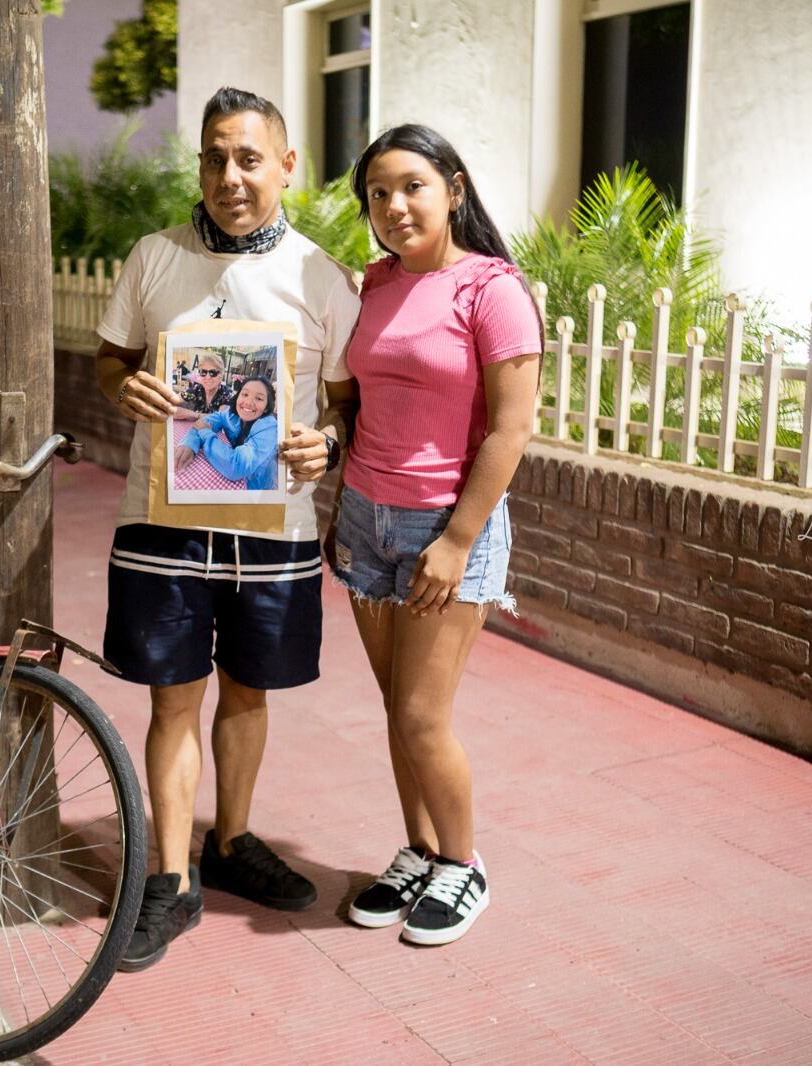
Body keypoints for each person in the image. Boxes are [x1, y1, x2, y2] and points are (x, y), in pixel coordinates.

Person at [94, 87, 360, 972]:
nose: (229, 176)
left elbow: (351, 408)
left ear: (287, 166)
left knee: (249, 688)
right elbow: (111, 360)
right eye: (214, 158)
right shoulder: (153, 257)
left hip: (274, 525)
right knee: (174, 695)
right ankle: (168, 881)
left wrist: (326, 441)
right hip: (160, 519)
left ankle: (231, 842)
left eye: (249, 158)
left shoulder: (323, 277)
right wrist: (119, 387)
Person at [328, 124, 543, 946]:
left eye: (412, 185)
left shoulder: (492, 289)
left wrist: (455, 541)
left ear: (453, 189)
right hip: (362, 520)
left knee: (423, 716)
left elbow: (510, 432)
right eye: (378, 193)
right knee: (395, 708)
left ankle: (463, 864)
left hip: (443, 528)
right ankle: (418, 850)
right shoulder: (373, 286)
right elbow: (353, 400)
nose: (393, 205)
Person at [175, 376, 279, 490]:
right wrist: (190, 443)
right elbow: (204, 422)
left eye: (259, 398)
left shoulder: (269, 427)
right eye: (245, 394)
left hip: (255, 488)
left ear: (266, 407)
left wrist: (206, 433)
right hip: (226, 479)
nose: (248, 402)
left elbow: (237, 467)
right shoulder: (230, 414)